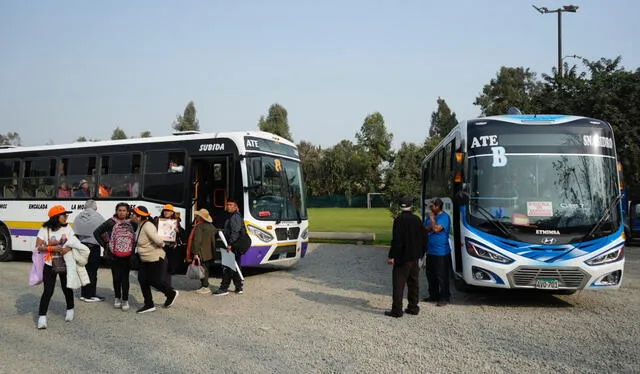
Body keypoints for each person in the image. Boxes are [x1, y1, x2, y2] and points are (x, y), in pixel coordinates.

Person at [34, 205, 77, 329]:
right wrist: (51, 248)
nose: (66, 217)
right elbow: (38, 246)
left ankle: (70, 309)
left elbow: (74, 242)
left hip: (65, 262)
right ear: (55, 217)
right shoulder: (45, 229)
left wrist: (66, 249)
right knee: (48, 291)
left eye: (66, 215)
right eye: (64, 215)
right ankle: (42, 317)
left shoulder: (68, 228)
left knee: (66, 288)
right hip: (49, 264)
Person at [131, 206, 179, 314]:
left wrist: (163, 244)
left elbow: (158, 240)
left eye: (134, 214)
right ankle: (149, 304)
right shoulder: (140, 225)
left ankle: (171, 293)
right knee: (142, 279)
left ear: (139, 217)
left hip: (155, 258)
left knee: (154, 280)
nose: (132, 216)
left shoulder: (147, 226)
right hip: (145, 259)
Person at [385, 197, 425, 318]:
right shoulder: (417, 219)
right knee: (413, 283)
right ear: (410, 206)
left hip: (402, 258)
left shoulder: (399, 220)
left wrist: (392, 256)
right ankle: (413, 307)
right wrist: (421, 253)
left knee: (399, 284)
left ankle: (397, 310)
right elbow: (423, 238)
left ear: (400, 207)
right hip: (414, 257)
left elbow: (397, 241)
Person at [94, 203, 136, 311]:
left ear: (128, 212)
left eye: (124, 210)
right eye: (119, 210)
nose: (122, 213)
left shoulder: (132, 222)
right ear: (116, 211)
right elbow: (96, 233)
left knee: (125, 278)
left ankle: (125, 300)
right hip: (114, 255)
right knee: (116, 277)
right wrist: (105, 245)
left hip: (127, 255)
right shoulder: (111, 222)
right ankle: (117, 298)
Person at [73, 199, 106, 302]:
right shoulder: (98, 217)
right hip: (93, 247)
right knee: (92, 272)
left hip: (82, 247)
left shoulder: (78, 217)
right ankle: (90, 295)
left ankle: (84, 294)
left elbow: (75, 234)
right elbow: (104, 232)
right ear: (95, 207)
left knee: (84, 271)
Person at [213, 199, 247, 296]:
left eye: (231, 205)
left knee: (227, 266)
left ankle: (224, 288)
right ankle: (238, 287)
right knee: (235, 266)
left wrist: (230, 244)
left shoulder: (235, 217)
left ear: (236, 207)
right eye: (227, 204)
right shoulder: (234, 216)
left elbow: (235, 232)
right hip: (235, 245)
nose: (228, 206)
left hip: (232, 245)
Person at [423, 198, 452, 307]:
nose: (430, 208)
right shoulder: (430, 217)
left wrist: (432, 220)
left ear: (438, 206)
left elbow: (436, 229)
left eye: (431, 206)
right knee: (430, 275)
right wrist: (431, 225)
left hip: (441, 252)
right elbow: (424, 228)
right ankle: (433, 295)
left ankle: (445, 297)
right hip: (430, 250)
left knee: (442, 275)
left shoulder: (444, 217)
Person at [186, 209, 217, 295]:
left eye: (198, 216)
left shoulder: (199, 227)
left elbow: (197, 241)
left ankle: (205, 287)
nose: (196, 217)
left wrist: (195, 253)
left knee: (203, 269)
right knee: (206, 268)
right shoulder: (211, 227)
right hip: (209, 252)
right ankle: (205, 285)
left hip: (201, 252)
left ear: (200, 217)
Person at [153, 204, 185, 287]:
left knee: (169, 266)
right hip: (160, 246)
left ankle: (167, 284)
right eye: (165, 211)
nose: (166, 212)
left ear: (172, 212)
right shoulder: (157, 220)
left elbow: (182, 234)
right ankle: (160, 283)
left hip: (171, 247)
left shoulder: (176, 221)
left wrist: (178, 231)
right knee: (160, 265)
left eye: (168, 211)